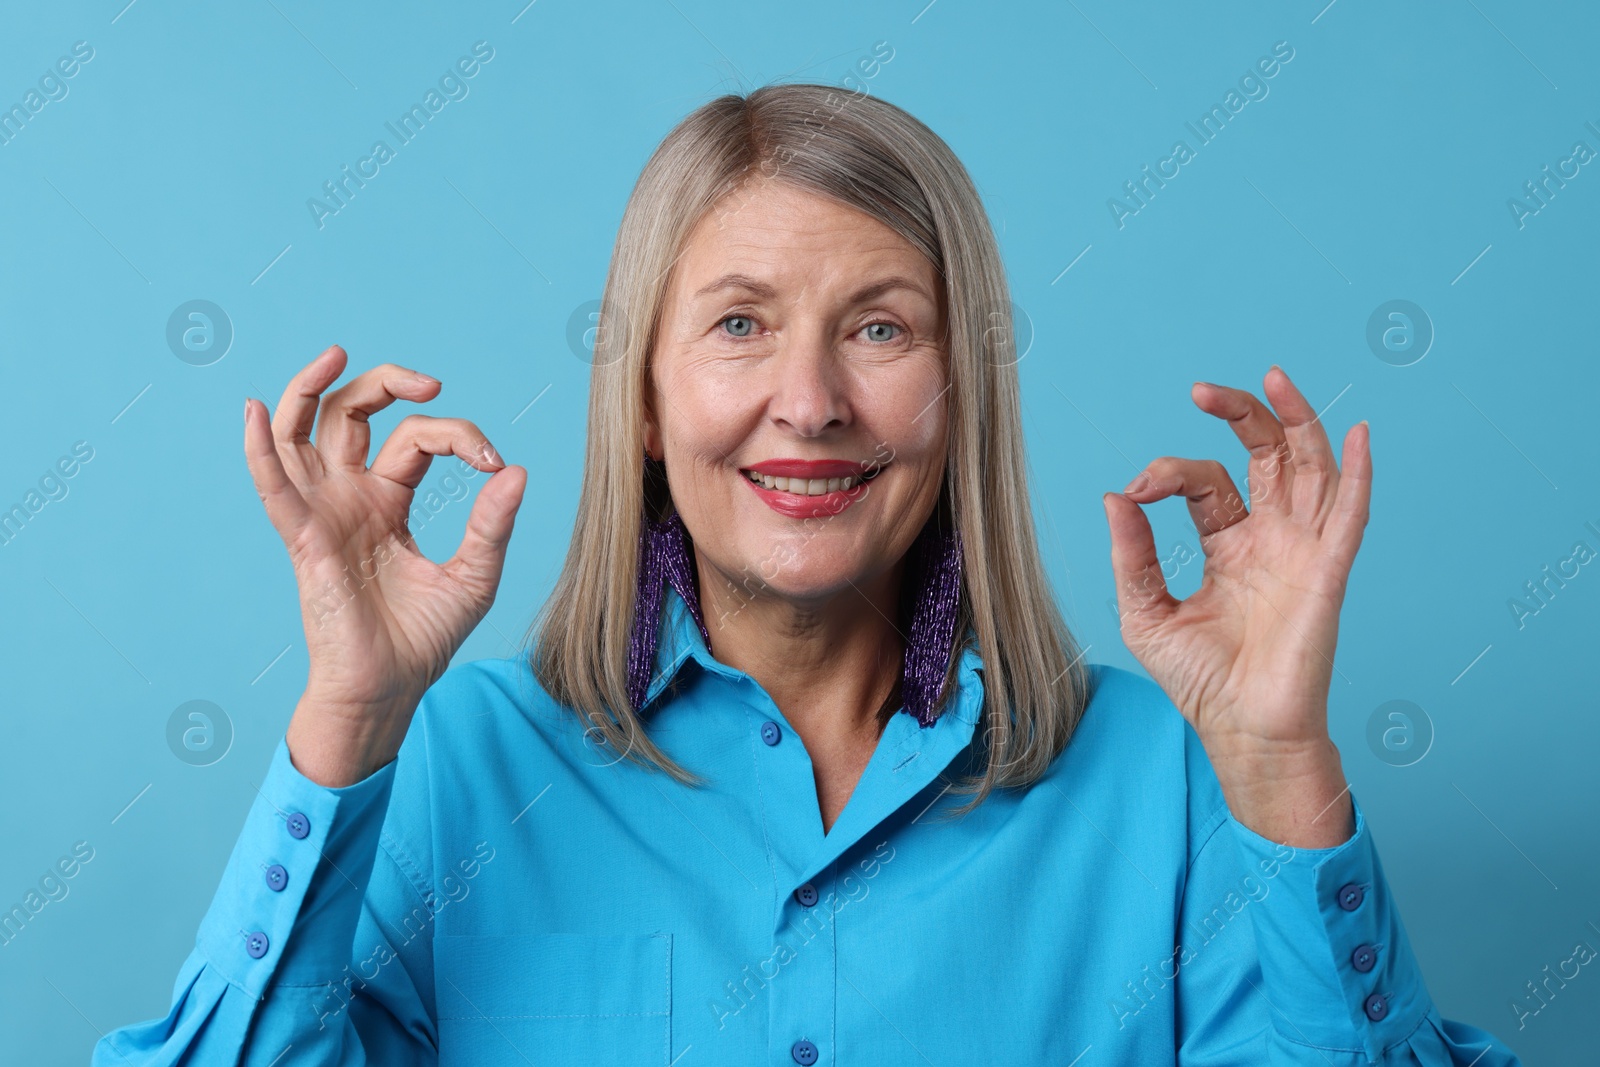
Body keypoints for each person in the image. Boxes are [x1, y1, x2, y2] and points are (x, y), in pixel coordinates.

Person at [95, 82, 1521, 1065]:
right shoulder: (458, 767)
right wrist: (346, 714)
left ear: (963, 395)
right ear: (642, 404)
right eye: (737, 325)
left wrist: (1278, 765)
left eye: (882, 331)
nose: (811, 399)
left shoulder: (1169, 781)